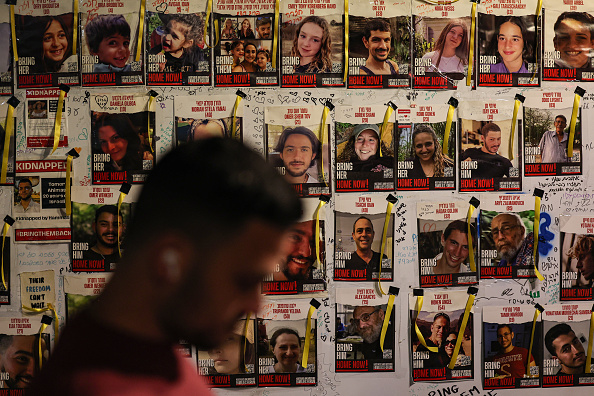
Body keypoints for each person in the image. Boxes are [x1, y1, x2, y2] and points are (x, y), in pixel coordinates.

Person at [29, 138, 302, 396]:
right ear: (168, 259)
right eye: (243, 280)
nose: (256, 304)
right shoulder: (106, 385)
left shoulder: (145, 360)